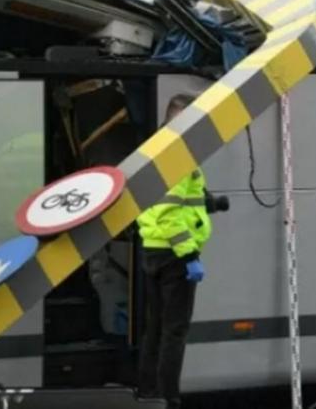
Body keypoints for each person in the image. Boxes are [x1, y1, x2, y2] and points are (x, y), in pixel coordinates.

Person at [137, 94, 212, 409]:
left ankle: (147, 392)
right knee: (174, 331)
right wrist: (190, 257)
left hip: (152, 250)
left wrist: (209, 203)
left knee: (155, 327)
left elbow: (165, 204)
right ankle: (168, 398)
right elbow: (169, 214)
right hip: (174, 255)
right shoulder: (177, 155)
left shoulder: (152, 151)